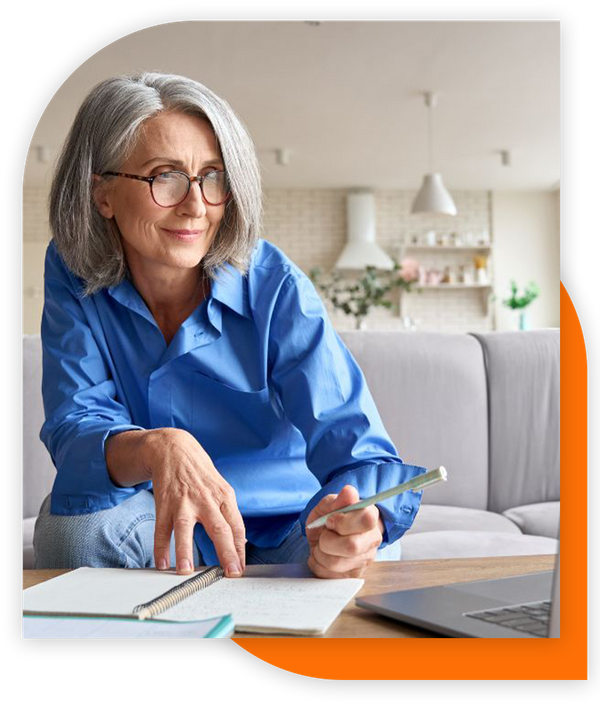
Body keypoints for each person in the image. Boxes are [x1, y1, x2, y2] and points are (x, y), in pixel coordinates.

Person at [33, 72, 426, 580]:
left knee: (367, 558)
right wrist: (156, 446)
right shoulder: (72, 270)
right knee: (72, 533)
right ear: (103, 193)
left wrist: (359, 521)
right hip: (155, 525)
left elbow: (355, 447)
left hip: (287, 529)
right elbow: (76, 424)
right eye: (164, 177)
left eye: (212, 177)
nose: (196, 206)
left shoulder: (275, 284)